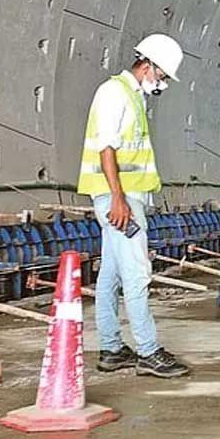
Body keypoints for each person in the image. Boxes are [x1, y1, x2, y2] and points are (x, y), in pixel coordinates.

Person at [77, 33, 190, 378]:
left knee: (111, 274)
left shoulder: (133, 97)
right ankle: (148, 351)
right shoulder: (114, 93)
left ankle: (111, 349)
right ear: (148, 66)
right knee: (138, 272)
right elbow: (106, 149)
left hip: (123, 197)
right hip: (118, 200)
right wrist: (118, 199)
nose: (165, 83)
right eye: (164, 75)